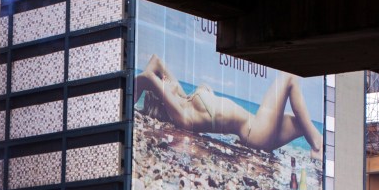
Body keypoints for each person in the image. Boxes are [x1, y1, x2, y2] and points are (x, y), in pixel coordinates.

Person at [133, 53, 322, 152]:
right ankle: (317, 145)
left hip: (257, 124)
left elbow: (156, 61)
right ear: (162, 97)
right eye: (163, 81)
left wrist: (153, 85)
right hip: (255, 134)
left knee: (302, 124)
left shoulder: (184, 99)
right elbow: (148, 77)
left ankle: (319, 148)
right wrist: (126, 104)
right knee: (289, 77)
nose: (166, 78)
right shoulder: (184, 116)